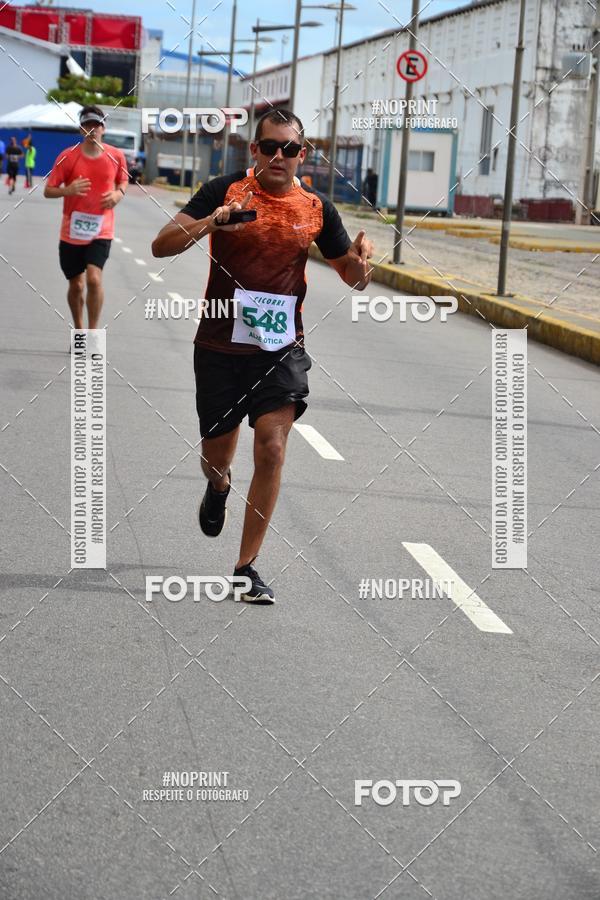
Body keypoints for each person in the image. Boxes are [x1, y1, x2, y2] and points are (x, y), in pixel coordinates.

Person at [151, 108, 374, 604]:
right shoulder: (224, 191)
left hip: (280, 347)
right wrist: (212, 224)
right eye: (270, 147)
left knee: (272, 445)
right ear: (254, 150)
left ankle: (246, 567)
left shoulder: (316, 208)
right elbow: (160, 245)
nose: (279, 156)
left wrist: (362, 265)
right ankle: (219, 485)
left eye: (290, 149)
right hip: (218, 345)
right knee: (217, 455)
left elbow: (350, 275)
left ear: (302, 154)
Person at [44, 105, 128, 332]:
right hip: (72, 231)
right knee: (76, 284)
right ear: (81, 129)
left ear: (104, 128)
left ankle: (92, 332)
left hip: (101, 229)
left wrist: (118, 194)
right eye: (87, 125)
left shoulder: (116, 155)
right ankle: (79, 329)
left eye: (96, 125)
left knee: (93, 279)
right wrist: (68, 190)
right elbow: (48, 190)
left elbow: (123, 181)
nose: (92, 129)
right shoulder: (67, 157)